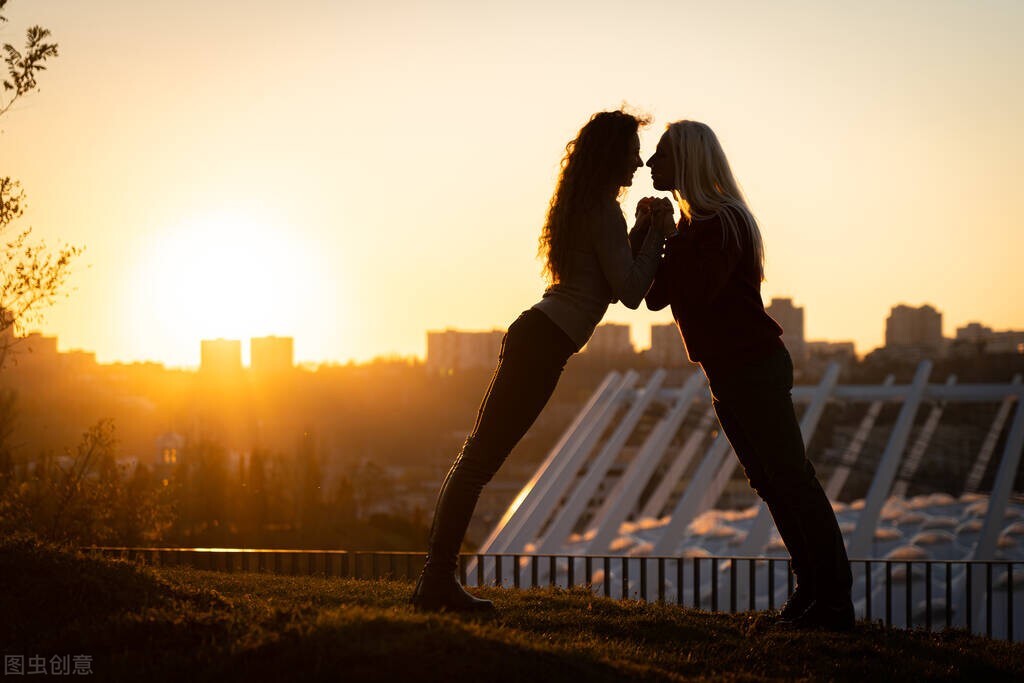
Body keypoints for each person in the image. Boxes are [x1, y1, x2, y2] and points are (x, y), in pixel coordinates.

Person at [410, 109, 677, 612]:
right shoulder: (603, 210)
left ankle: (435, 580)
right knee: (477, 464)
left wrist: (642, 230)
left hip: (538, 337)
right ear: (612, 155)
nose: (640, 163)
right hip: (542, 344)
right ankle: (436, 581)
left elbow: (609, 279)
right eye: (633, 152)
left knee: (475, 459)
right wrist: (659, 234)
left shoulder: (587, 207)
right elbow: (630, 292)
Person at [636, 120, 854, 631]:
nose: (649, 163)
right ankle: (811, 591)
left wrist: (668, 238)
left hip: (752, 365)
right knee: (771, 484)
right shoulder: (693, 227)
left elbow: (697, 290)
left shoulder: (725, 221)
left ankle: (832, 601)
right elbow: (653, 296)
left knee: (791, 479)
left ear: (688, 160)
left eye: (661, 154)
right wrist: (650, 232)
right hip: (728, 371)